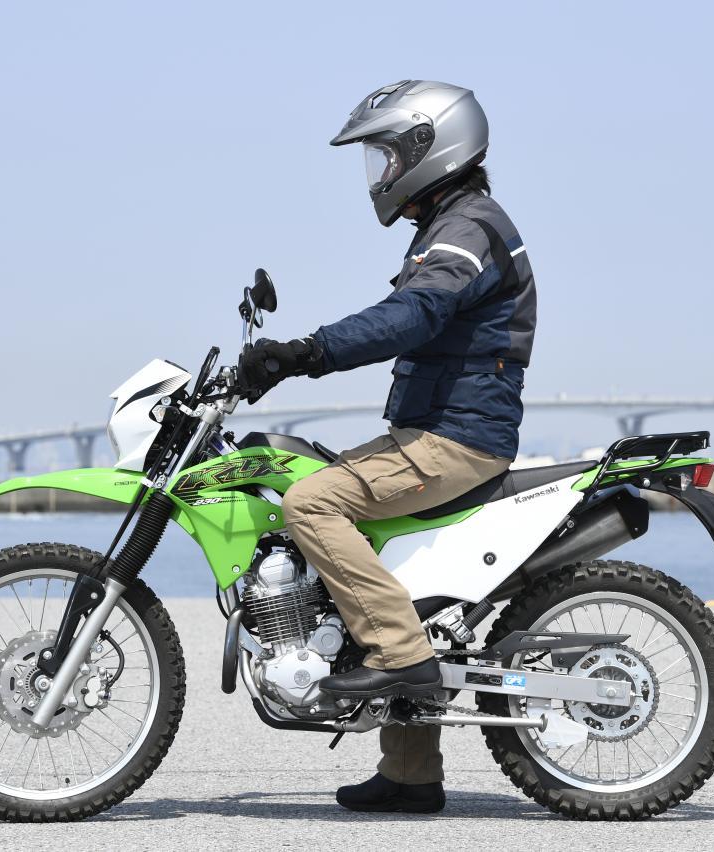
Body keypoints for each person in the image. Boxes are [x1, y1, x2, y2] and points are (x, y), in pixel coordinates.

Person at [238, 80, 536, 814]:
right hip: (433, 431)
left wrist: (306, 352)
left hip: (456, 438)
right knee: (364, 543)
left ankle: (402, 658)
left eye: (387, 155)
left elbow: (414, 313)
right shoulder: (453, 222)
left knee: (310, 504)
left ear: (431, 149)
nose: (381, 173)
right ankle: (410, 775)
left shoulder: (468, 228)